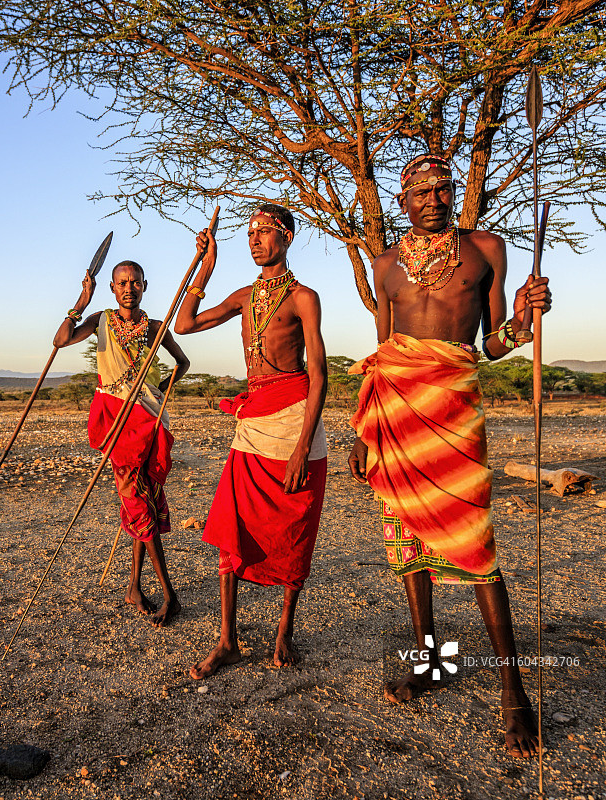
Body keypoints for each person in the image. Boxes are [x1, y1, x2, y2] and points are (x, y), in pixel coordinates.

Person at [347, 154, 552, 758]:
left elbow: (490, 344)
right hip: (395, 408)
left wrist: (523, 320)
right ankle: (431, 661)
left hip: (455, 406)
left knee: (474, 540)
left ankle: (515, 694)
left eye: (443, 188)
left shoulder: (486, 249)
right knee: (407, 539)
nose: (432, 198)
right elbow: (384, 348)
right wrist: (364, 428)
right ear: (402, 198)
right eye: (419, 190)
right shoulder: (384, 265)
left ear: (454, 195)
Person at [175, 203, 328, 677]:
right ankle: (227, 639)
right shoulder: (244, 296)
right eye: (250, 233)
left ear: (286, 238)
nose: (256, 239)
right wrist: (207, 264)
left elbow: (320, 373)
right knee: (231, 522)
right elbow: (184, 325)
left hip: (294, 417)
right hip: (254, 419)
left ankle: (284, 632)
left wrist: (304, 445)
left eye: (265, 231)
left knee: (294, 525)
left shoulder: (304, 297)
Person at [53, 260, 190, 627]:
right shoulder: (99, 319)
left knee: (141, 502)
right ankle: (169, 594)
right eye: (121, 283)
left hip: (149, 419)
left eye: (135, 282)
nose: (128, 288)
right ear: (112, 289)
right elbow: (61, 340)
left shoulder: (157, 328)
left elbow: (182, 362)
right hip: (116, 420)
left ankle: (133, 586)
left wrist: (159, 394)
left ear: (145, 285)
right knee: (137, 502)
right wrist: (81, 301)